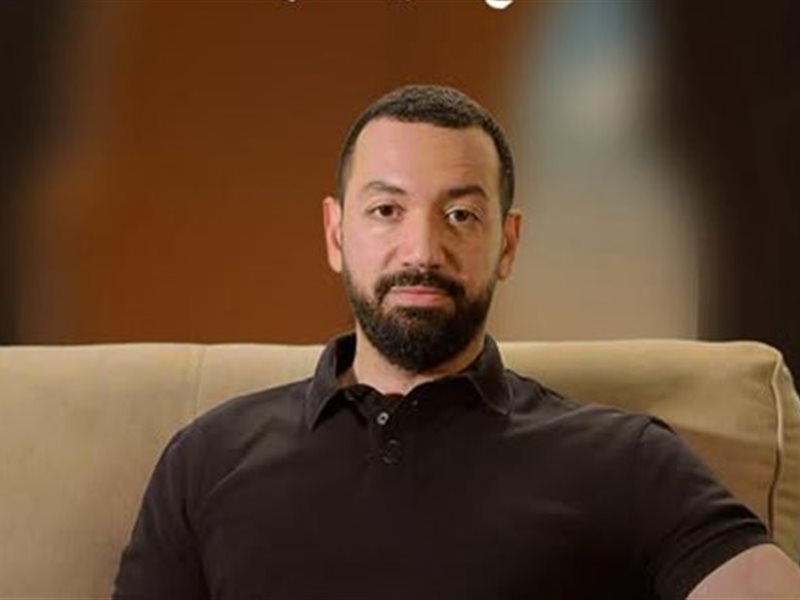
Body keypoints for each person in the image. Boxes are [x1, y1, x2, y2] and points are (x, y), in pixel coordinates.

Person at [113, 85, 800, 599]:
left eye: (461, 214)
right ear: (336, 234)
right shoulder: (207, 457)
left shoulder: (623, 457)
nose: (422, 249)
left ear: (507, 243)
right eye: (387, 210)